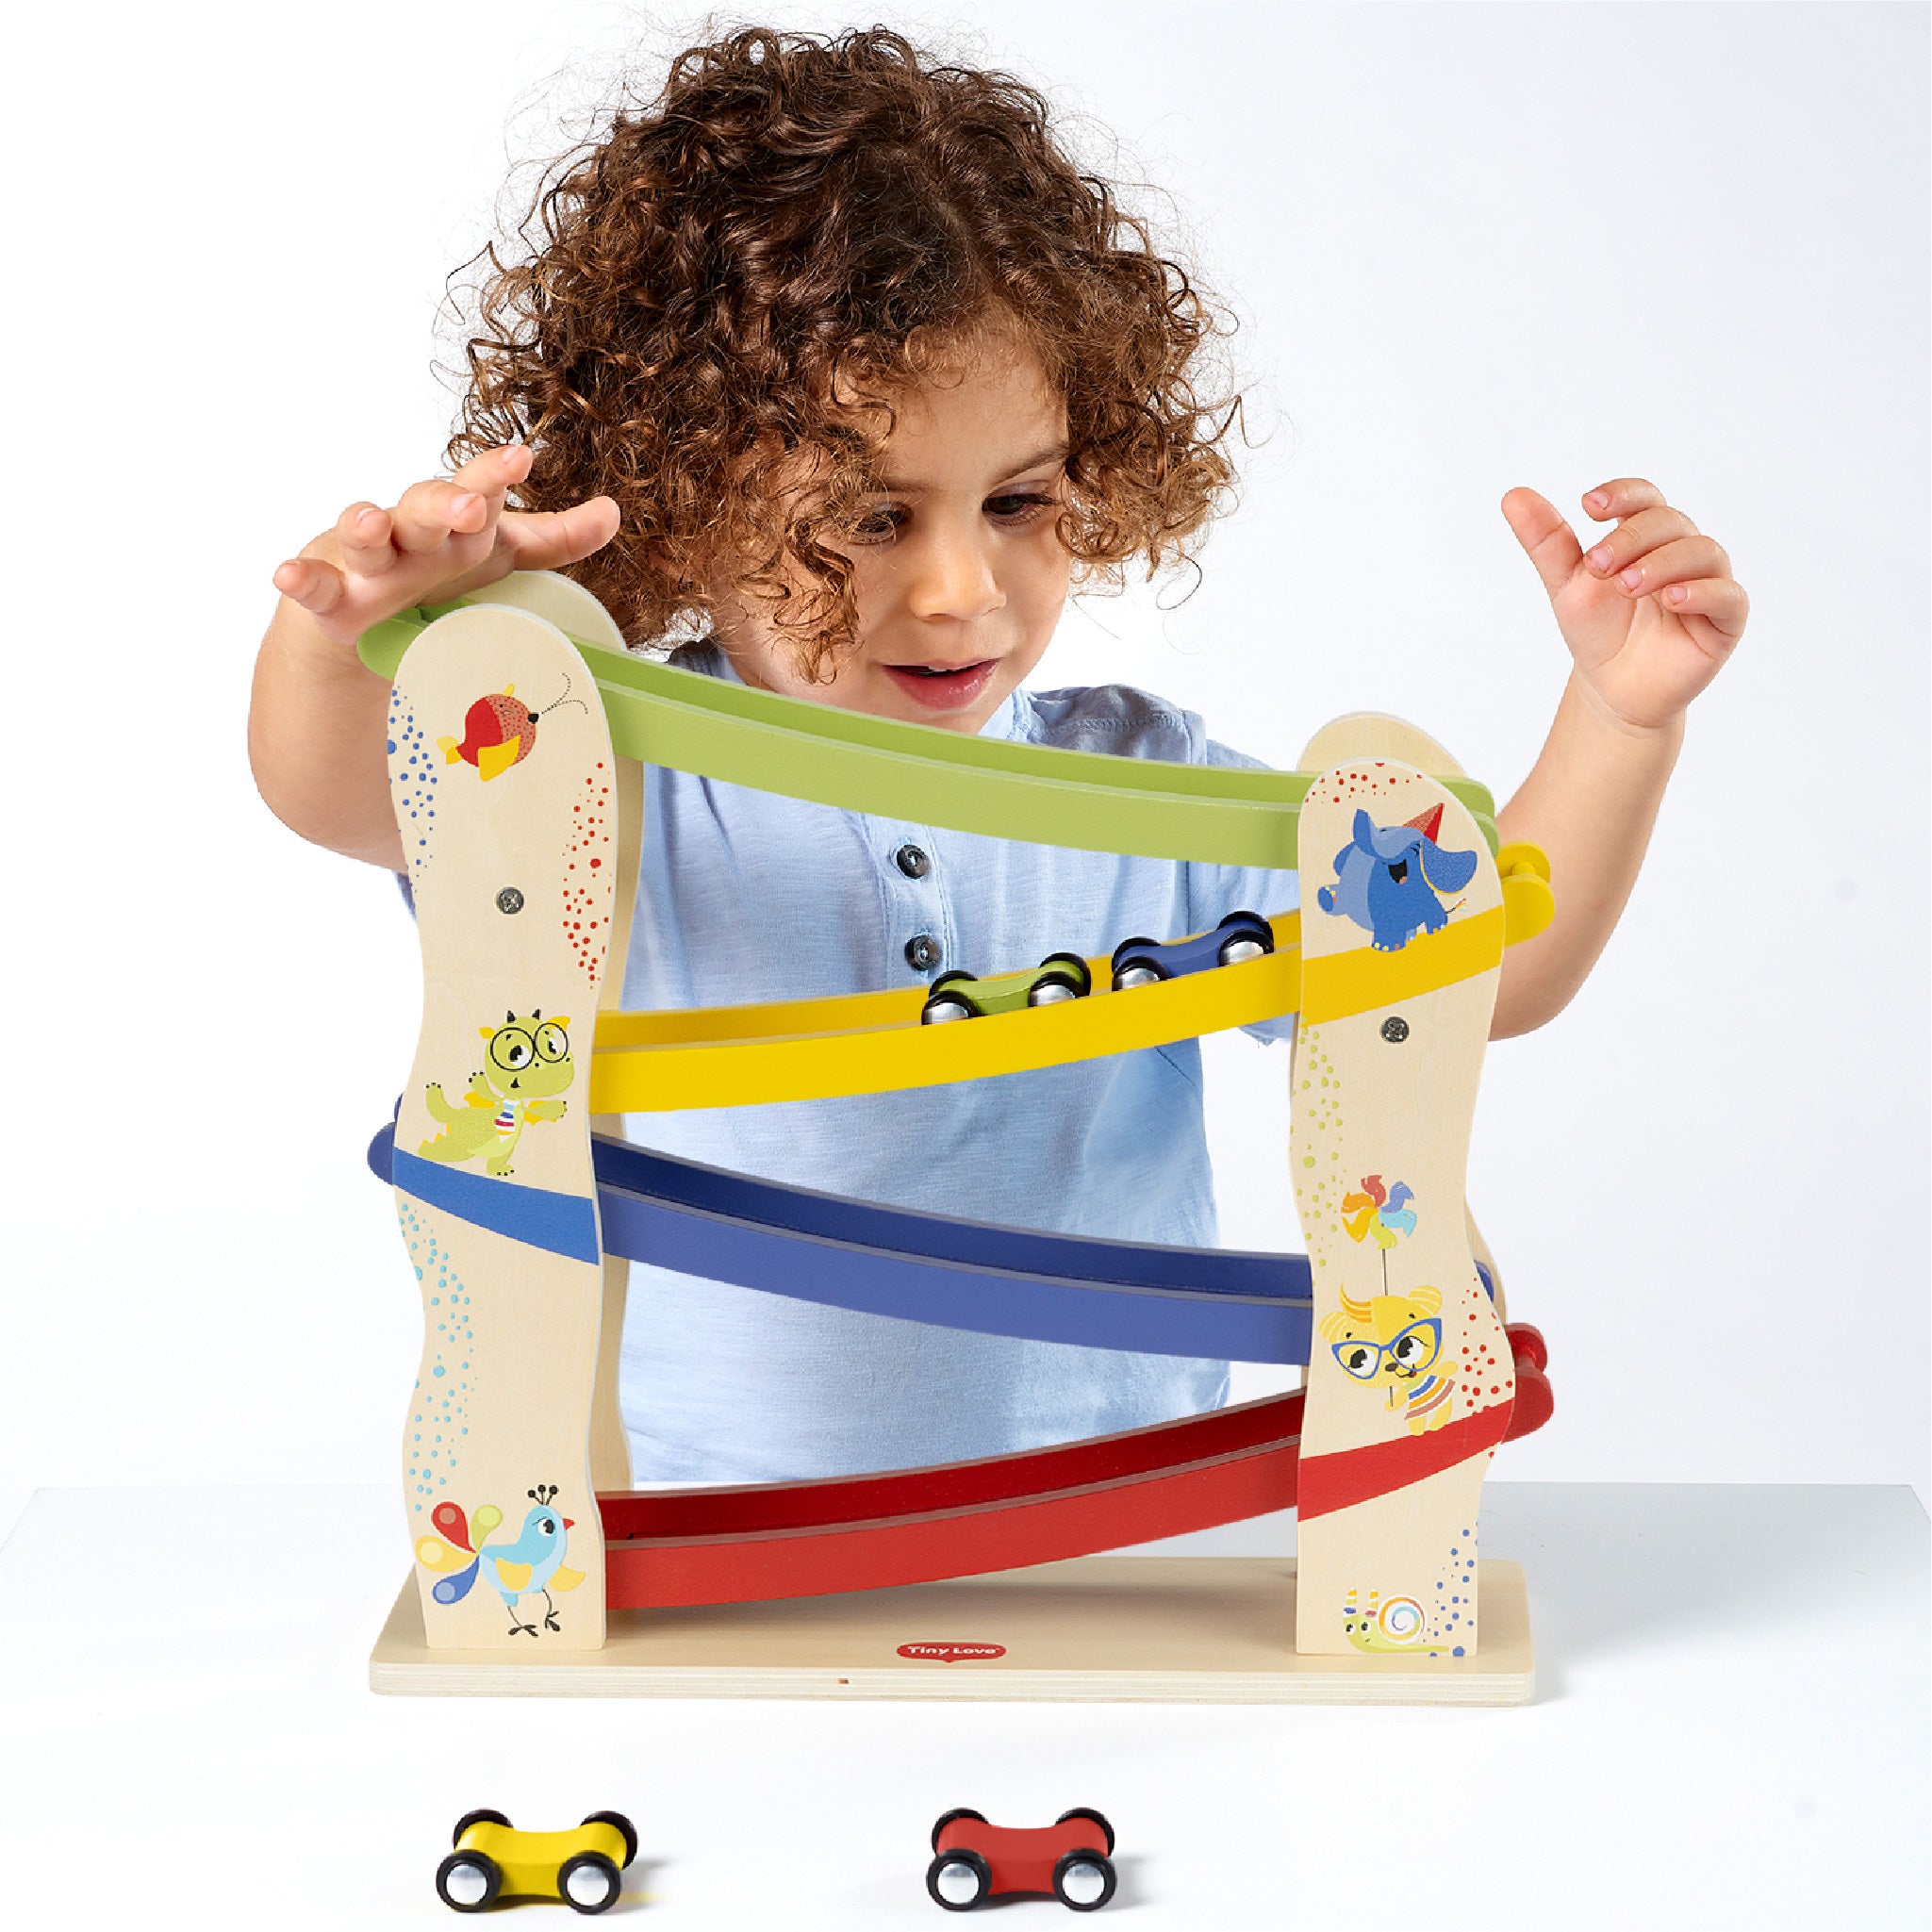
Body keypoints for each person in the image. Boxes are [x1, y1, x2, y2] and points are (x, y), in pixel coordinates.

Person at [248, 26, 1747, 1483]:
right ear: (684, 501)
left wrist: (1619, 716)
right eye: (871, 517)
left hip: (1126, 1534)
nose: (962, 590)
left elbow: (1469, 976)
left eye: (1017, 503)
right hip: (711, 1548)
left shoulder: (1144, 789)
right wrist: (346, 633)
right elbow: (340, 796)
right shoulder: (615, 778)